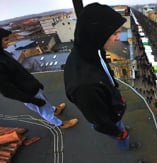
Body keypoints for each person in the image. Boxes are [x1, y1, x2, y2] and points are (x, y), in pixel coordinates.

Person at [64, 3, 140, 150]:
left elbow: (104, 73)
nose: (118, 38)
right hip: (108, 118)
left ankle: (120, 128)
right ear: (98, 34)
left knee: (119, 124)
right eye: (114, 33)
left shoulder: (93, 49)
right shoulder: (85, 85)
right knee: (120, 133)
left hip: (111, 108)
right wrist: (117, 132)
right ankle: (126, 145)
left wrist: (114, 92)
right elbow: (99, 121)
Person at [0, 27, 78, 129]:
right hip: (28, 93)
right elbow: (7, 91)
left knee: (44, 102)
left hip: (32, 88)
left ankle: (55, 110)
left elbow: (20, 72)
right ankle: (60, 124)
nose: (8, 42)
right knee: (44, 110)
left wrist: (35, 83)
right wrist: (31, 100)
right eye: (5, 40)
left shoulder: (3, 54)